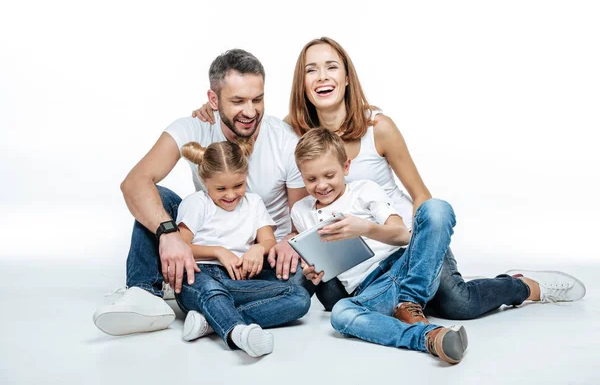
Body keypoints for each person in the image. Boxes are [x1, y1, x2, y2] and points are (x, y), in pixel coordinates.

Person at [192, 37, 586, 317]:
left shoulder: (377, 127)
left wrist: (420, 249)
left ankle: (523, 286)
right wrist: (207, 112)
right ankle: (212, 304)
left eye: (332, 66)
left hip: (399, 242)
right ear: (303, 85)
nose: (322, 76)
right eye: (311, 69)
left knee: (456, 304)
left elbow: (423, 198)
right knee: (304, 290)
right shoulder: (294, 134)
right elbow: (243, 117)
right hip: (349, 263)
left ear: (347, 78)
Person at [93, 49, 311, 337]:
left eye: (257, 99)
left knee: (296, 285)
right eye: (237, 101)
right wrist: (170, 235)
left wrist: (277, 247)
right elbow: (134, 183)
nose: (250, 111)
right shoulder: (195, 126)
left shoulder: (285, 142)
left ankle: (208, 312)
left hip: (263, 263)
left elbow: (300, 219)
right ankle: (144, 294)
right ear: (213, 100)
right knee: (156, 196)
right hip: (208, 255)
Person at [291, 127, 467, 364]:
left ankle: (409, 302)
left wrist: (363, 228)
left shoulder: (364, 189)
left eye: (329, 175)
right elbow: (322, 262)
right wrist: (314, 272)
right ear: (301, 176)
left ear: (346, 167)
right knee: (341, 313)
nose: (321, 185)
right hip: (371, 289)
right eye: (311, 179)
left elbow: (402, 235)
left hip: (404, 269)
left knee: (436, 209)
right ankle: (429, 337)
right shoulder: (300, 211)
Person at [174, 140, 310, 357]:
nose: (230, 195)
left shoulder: (254, 203)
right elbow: (180, 247)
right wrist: (218, 251)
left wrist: (258, 250)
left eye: (238, 185)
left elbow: (268, 241)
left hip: (239, 280)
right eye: (221, 188)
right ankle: (237, 333)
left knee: (299, 297)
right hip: (200, 276)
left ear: (246, 176)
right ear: (204, 180)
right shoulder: (197, 203)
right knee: (212, 290)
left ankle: (211, 320)